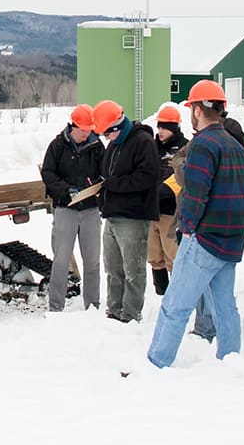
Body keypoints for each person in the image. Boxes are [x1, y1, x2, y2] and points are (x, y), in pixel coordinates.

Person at [145, 81, 244, 367]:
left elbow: (195, 192)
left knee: (175, 305)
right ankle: (231, 360)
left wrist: (186, 228)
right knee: (224, 306)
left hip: (204, 239)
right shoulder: (235, 145)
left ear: (196, 110)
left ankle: (157, 363)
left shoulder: (203, 145)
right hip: (229, 241)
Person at [92, 99, 160, 323]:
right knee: (112, 267)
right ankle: (114, 309)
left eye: (106, 134)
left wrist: (114, 184)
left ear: (116, 127)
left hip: (133, 215)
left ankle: (130, 313)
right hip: (111, 214)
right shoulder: (114, 145)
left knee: (133, 268)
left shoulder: (143, 142)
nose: (105, 138)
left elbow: (148, 177)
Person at [41, 104, 105, 312]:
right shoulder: (57, 145)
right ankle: (56, 305)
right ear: (74, 126)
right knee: (61, 260)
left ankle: (93, 305)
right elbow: (48, 174)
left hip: (90, 209)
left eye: (90, 130)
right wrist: (66, 190)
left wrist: (95, 185)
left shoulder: (97, 147)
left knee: (92, 261)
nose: (87, 134)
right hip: (65, 208)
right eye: (84, 130)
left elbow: (105, 172)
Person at [147, 102, 188, 295]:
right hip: (150, 209)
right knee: (154, 254)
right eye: (159, 127)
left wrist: (161, 191)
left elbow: (179, 178)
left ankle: (177, 294)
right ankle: (161, 292)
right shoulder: (152, 148)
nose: (160, 131)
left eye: (165, 127)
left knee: (172, 254)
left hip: (171, 209)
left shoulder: (184, 147)